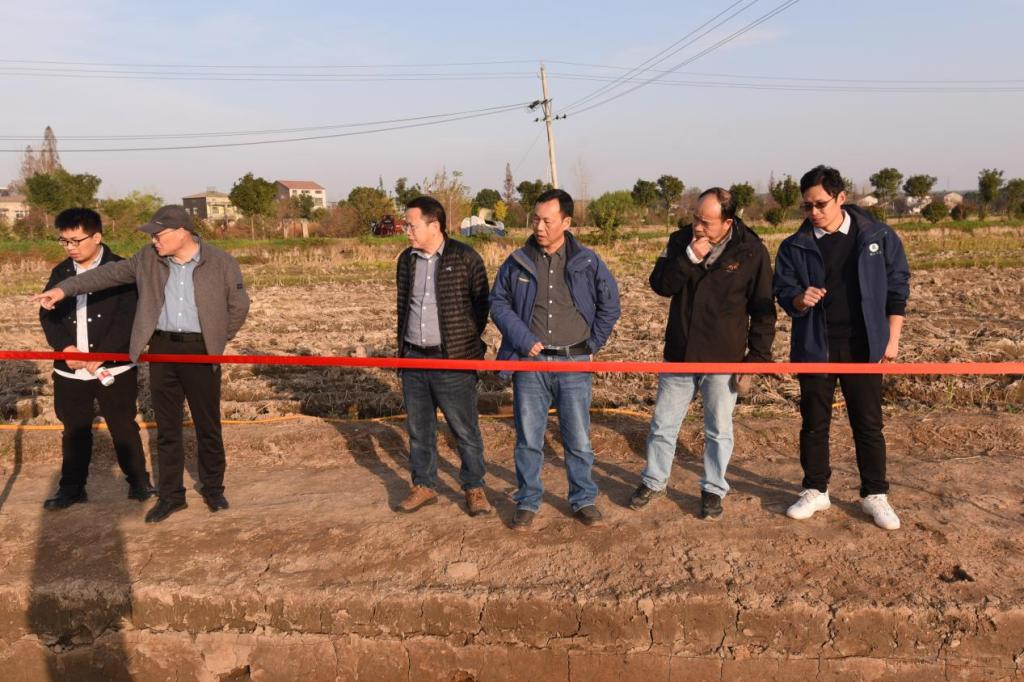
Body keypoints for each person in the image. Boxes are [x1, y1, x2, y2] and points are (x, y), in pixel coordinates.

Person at [35, 205, 250, 523]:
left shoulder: (221, 262)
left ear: (182, 232)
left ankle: (214, 489)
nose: (153, 240)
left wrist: (217, 337)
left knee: (207, 424)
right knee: (167, 428)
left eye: (158, 235)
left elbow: (239, 305)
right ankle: (171, 496)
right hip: (161, 348)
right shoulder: (148, 259)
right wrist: (62, 289)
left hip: (202, 350)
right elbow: (106, 275)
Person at [773, 165, 910, 530]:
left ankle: (874, 494)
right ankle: (815, 489)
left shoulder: (877, 236)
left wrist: (892, 338)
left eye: (820, 204)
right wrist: (800, 299)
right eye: (807, 206)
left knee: (868, 423)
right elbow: (784, 291)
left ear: (841, 198)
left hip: (864, 345)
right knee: (814, 423)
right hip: (815, 345)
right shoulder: (794, 246)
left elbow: (897, 287)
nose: (813, 212)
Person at [629, 188, 776, 519]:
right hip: (680, 352)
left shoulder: (751, 251)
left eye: (706, 222)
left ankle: (713, 488)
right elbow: (661, 285)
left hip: (724, 357)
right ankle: (654, 481)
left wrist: (756, 359)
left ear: (728, 222)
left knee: (718, 429)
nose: (697, 226)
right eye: (696, 218)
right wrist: (689, 258)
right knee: (663, 424)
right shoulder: (680, 241)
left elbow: (763, 310)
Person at [490, 188, 620, 529]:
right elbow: (498, 303)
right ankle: (528, 500)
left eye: (547, 221)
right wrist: (522, 338)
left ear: (566, 222)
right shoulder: (518, 260)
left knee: (578, 438)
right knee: (528, 439)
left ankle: (583, 499)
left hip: (573, 363)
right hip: (530, 365)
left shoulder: (587, 262)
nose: (539, 227)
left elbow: (610, 305)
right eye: (535, 219)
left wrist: (593, 343)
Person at [38, 208, 155, 510]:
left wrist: (103, 354)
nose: (70, 247)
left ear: (97, 236)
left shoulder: (121, 270)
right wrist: (66, 348)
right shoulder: (61, 272)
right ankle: (72, 489)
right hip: (71, 369)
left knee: (123, 426)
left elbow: (130, 318)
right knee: (74, 429)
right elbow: (48, 314)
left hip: (114, 367)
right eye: (64, 241)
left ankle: (139, 483)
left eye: (76, 241)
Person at [394, 195, 492, 517]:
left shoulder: (465, 257)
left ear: (434, 225)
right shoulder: (406, 261)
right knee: (419, 430)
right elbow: (403, 306)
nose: (407, 231)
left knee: (464, 430)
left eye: (412, 225)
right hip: (413, 358)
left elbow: (481, 305)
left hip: (453, 361)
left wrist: (464, 341)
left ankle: (474, 487)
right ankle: (424, 485)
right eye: (406, 225)